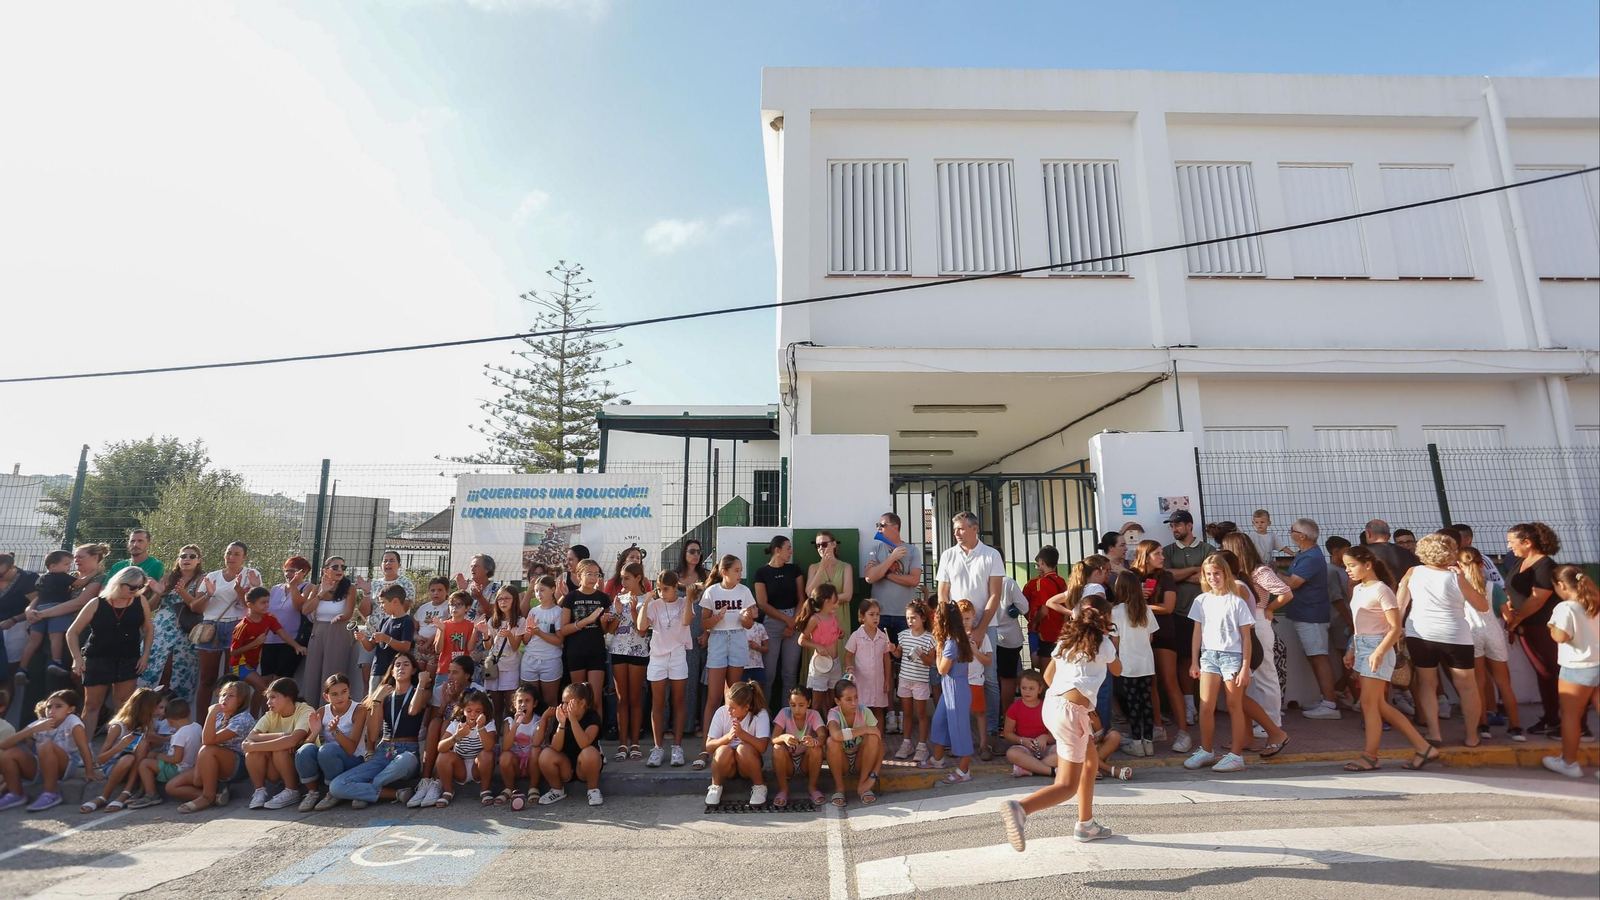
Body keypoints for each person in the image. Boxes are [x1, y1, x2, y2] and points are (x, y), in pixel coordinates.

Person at [999, 602, 1119, 853]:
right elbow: (1118, 670)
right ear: (1105, 622)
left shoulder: (1065, 643)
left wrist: (1078, 697)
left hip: (1054, 705)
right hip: (1071, 713)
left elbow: (1048, 677)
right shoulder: (1104, 643)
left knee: (1090, 762)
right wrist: (1112, 637)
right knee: (1066, 785)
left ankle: (1085, 824)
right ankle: (1021, 808)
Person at [1340, 547, 1439, 772]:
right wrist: (1352, 649)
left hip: (1378, 648)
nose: (1348, 570)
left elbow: (1395, 629)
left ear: (1368, 564)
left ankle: (1370, 757)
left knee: (1369, 704)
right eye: (1346, 566)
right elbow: (1358, 625)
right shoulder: (1358, 590)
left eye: (1352, 565)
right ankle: (1423, 748)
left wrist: (1378, 652)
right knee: (1379, 705)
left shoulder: (1382, 590)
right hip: (1364, 647)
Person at [1399, 533, 1486, 748]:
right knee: (1467, 687)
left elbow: (1399, 605)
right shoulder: (1457, 576)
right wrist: (1464, 581)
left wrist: (1396, 630)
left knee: (1427, 684)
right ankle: (1472, 736)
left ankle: (1434, 733)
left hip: (1420, 633)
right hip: (1456, 635)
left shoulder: (1413, 572)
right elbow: (1482, 606)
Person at [937, 512, 1004, 753]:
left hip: (986, 626)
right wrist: (951, 626)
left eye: (961, 528)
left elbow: (995, 594)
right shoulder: (947, 555)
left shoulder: (991, 555)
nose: (956, 533)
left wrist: (981, 628)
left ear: (975, 529)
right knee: (954, 676)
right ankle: (955, 732)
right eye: (955, 529)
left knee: (989, 678)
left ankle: (991, 733)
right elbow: (943, 593)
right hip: (956, 629)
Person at [1182, 554, 1256, 773]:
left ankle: (1236, 756)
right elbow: (1197, 632)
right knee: (1205, 706)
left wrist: (1245, 667)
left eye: (1217, 573)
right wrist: (1194, 661)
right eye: (1208, 574)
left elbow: (1246, 638)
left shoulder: (1237, 601)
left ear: (1225, 573)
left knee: (1235, 706)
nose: (1213, 577)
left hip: (1232, 657)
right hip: (1208, 657)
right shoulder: (1201, 601)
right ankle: (1206, 750)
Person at [328, 652, 426, 810]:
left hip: (407, 752)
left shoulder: (419, 692)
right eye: (397, 665)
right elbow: (373, 735)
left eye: (406, 664)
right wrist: (376, 701)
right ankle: (395, 793)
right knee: (336, 786)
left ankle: (369, 786)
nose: (401, 668)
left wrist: (422, 683)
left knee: (405, 760)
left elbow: (413, 710)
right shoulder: (384, 697)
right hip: (384, 752)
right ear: (392, 671)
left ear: (413, 670)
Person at [67, 567, 155, 740]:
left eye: (140, 587)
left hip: (129, 658)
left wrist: (145, 656)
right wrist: (77, 658)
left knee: (123, 706)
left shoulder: (140, 601)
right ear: (119, 583)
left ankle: (115, 748)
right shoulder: (97, 603)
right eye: (132, 587)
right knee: (92, 705)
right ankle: (82, 751)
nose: (136, 590)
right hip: (98, 658)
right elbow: (72, 632)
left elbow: (148, 629)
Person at [1221, 532, 1292, 734]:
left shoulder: (1259, 571)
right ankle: (1258, 723)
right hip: (1244, 623)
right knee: (1251, 676)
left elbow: (1286, 592)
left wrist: (1269, 609)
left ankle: (1272, 722)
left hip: (1258, 621)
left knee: (1265, 673)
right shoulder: (1241, 573)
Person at [1502, 523, 1567, 738]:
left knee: (1551, 672)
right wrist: (1510, 610)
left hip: (1543, 626)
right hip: (1527, 627)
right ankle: (1551, 718)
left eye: (1512, 541)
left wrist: (1515, 619)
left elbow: (1538, 598)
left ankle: (1564, 721)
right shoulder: (1521, 561)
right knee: (1543, 672)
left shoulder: (1544, 565)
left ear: (1527, 542)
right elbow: (1514, 592)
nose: (1509, 546)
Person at [1457, 546, 1524, 742]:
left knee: (1478, 682)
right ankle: (1516, 727)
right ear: (1481, 564)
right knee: (1504, 683)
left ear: (1459, 565)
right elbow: (1506, 616)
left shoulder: (1460, 587)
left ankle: (1483, 725)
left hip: (1471, 634)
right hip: (1493, 632)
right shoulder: (1493, 587)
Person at [864, 512, 923, 734]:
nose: (878, 528)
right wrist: (890, 559)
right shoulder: (876, 549)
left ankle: (906, 713)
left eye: (882, 525)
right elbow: (870, 577)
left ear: (895, 526)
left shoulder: (912, 550)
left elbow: (914, 580)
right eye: (877, 524)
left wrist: (885, 573)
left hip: (904, 616)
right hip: (880, 615)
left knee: (907, 665)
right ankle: (889, 713)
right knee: (883, 667)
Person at [1543, 566, 1600, 778]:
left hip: (1578, 667)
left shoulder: (1566, 608)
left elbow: (1560, 636)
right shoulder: (1595, 601)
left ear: (1561, 586)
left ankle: (1569, 763)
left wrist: (1551, 626)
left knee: (1570, 716)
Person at [1130, 543, 1188, 751]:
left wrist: (1142, 605)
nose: (1162, 557)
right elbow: (1122, 604)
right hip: (1140, 637)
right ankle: (1157, 726)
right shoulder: (1131, 576)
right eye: (1157, 554)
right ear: (1145, 556)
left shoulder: (1166, 577)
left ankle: (1184, 733)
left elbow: (1167, 607)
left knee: (1169, 681)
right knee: (1150, 683)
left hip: (1164, 634)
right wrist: (1136, 597)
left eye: (1162, 553)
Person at [0, 689, 98, 812]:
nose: (51, 711)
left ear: (70, 709)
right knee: (7, 754)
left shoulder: (73, 721)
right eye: (48, 707)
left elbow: (84, 747)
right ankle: (16, 794)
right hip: (41, 764)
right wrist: (32, 730)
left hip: (66, 764)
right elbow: (3, 745)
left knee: (46, 746)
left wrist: (90, 772)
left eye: (58, 707)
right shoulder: (41, 723)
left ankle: (51, 793)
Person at [697, 555, 757, 756]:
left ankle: (734, 741)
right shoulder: (711, 591)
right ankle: (708, 745)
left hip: (738, 639)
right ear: (725, 572)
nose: (741, 574)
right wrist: (717, 618)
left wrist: (746, 618)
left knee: (734, 697)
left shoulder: (745, 591)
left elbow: (749, 624)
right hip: (718, 640)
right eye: (737, 570)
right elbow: (703, 624)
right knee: (714, 697)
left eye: (741, 569)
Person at [1282, 519, 1341, 720]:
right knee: (1314, 657)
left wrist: (1270, 573)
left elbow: (1293, 583)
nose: (1290, 533)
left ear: (1303, 536)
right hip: (1305, 614)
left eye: (1293, 531)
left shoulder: (1311, 558)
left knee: (1319, 657)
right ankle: (1326, 700)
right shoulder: (1304, 555)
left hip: (1311, 616)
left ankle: (1330, 705)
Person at [1162, 510, 1215, 729]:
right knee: (1185, 661)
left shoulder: (1207, 549)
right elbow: (1167, 575)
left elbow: (1211, 577)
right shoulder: (1167, 551)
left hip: (1208, 616)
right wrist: (1195, 569)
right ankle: (1190, 706)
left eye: (1178, 525)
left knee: (1208, 662)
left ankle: (1208, 707)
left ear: (1190, 526)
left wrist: (1180, 574)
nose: (1174, 529)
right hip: (1180, 615)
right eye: (1172, 526)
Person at [170, 679, 255, 813]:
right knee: (172, 786)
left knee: (208, 749)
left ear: (241, 700)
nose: (224, 698)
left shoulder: (243, 718)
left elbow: (209, 741)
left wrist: (211, 713)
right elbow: (204, 742)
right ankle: (216, 796)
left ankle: (207, 797)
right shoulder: (219, 716)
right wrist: (198, 772)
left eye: (231, 696)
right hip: (210, 758)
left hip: (237, 764)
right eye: (223, 695)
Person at [639, 570, 693, 768]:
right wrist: (645, 602)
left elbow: (687, 621)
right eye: (659, 589)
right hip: (657, 657)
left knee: (678, 701)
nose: (662, 593)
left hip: (678, 655)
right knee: (658, 703)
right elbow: (642, 626)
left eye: (666, 589)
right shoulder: (654, 604)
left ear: (675, 587)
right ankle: (657, 747)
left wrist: (688, 598)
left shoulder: (682, 602)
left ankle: (677, 747)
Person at [294, 673, 369, 812]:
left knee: (327, 749)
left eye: (344, 692)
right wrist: (315, 732)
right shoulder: (323, 711)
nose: (340, 697)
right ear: (326, 696)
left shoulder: (359, 710)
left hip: (353, 760)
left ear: (349, 690)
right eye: (334, 694)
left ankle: (333, 792)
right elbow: (306, 744)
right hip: (329, 762)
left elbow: (351, 749)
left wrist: (335, 731)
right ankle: (312, 793)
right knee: (305, 750)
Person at [79, 686, 161, 812]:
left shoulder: (147, 724)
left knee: (143, 745)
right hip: (114, 766)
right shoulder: (118, 726)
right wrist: (120, 745)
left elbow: (151, 747)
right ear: (146, 708)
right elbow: (100, 760)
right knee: (128, 758)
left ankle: (126, 792)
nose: (158, 710)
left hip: (134, 767)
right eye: (155, 707)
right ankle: (104, 796)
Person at [227, 586, 306, 715]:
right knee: (262, 687)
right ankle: (252, 719)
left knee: (253, 690)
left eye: (268, 602)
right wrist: (255, 643)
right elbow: (233, 652)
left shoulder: (269, 618)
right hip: (239, 664)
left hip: (252, 664)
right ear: (250, 605)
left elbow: (282, 633)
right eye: (263, 602)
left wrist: (296, 646)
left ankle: (254, 718)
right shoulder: (243, 626)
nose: (266, 605)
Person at [920, 599, 974, 782]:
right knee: (939, 721)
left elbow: (942, 669)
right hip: (952, 688)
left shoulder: (950, 643)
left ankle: (964, 770)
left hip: (955, 689)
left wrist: (938, 650)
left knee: (960, 729)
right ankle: (937, 759)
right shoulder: (956, 639)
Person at [241, 677, 314, 810]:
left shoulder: (305, 710)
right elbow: (252, 736)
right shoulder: (270, 715)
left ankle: (292, 790)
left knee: (280, 749)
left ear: (288, 697)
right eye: (268, 698)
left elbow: (293, 740)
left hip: (301, 767)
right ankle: (260, 791)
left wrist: (254, 745)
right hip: (275, 770)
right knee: (255, 752)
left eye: (273, 697)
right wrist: (283, 735)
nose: (268, 702)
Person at [411, 654, 474, 808]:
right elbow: (435, 718)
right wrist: (444, 704)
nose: (450, 676)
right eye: (449, 672)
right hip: (444, 735)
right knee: (435, 723)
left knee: (447, 723)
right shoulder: (442, 689)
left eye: (455, 673)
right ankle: (425, 780)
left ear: (467, 675)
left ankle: (439, 780)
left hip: (465, 737)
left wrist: (455, 701)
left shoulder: (476, 692)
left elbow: (470, 723)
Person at [753, 535, 806, 702]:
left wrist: (793, 622)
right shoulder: (761, 573)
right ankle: (764, 716)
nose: (791, 551)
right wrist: (786, 620)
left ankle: (787, 717)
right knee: (768, 675)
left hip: (795, 621)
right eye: (788, 548)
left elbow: (801, 598)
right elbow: (762, 603)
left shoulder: (794, 570)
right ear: (777, 550)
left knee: (790, 674)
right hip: (771, 623)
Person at [18, 549, 88, 677]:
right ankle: (56, 661)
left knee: (33, 641)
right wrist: (96, 572)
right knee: (55, 637)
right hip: (57, 609)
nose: (69, 567)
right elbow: (82, 582)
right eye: (66, 564)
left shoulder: (41, 578)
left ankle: (22, 668)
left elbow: (39, 595)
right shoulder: (62, 576)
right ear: (53, 566)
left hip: (39, 609)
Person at [1109, 574, 1157, 757]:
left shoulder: (1116, 611)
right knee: (1147, 702)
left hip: (1128, 664)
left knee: (1132, 702)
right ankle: (1149, 742)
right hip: (1146, 663)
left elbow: (1115, 640)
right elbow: (1151, 637)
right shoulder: (1145, 609)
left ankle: (1136, 742)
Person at [299, 557, 357, 706]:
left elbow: (348, 613)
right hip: (318, 633)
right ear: (325, 570)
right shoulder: (316, 588)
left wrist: (340, 617)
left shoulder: (350, 588)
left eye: (343, 568)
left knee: (333, 673)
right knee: (313, 673)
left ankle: (331, 712)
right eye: (335, 567)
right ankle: (310, 712)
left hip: (339, 632)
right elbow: (305, 610)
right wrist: (322, 592)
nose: (340, 570)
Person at [607, 564, 651, 761]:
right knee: (621, 699)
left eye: (626, 578)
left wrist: (633, 610)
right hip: (618, 651)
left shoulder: (647, 599)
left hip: (638, 652)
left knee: (635, 698)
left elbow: (642, 631)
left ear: (638, 578)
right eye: (621, 578)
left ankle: (635, 743)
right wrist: (616, 612)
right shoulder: (618, 599)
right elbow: (610, 630)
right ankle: (622, 744)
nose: (622, 582)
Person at [537, 681, 604, 806]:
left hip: (585, 766)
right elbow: (556, 747)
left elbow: (584, 743)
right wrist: (561, 724)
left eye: (568, 703)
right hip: (566, 766)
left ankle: (593, 789)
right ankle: (557, 790)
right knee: (546, 754)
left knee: (589, 752)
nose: (563, 706)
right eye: (563, 702)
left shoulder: (592, 717)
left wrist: (573, 719)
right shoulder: (561, 716)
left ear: (582, 703)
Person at [559, 559, 610, 718]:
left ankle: (596, 738)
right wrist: (586, 621)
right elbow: (563, 629)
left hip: (596, 651)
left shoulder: (603, 598)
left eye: (596, 574)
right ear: (579, 575)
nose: (593, 577)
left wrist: (603, 622)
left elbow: (605, 631)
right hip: (576, 652)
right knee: (577, 699)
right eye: (589, 574)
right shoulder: (571, 597)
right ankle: (577, 735)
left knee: (595, 698)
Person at [433, 688, 497, 808]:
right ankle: (448, 791)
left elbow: (489, 747)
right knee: (443, 756)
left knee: (487, 754)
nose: (473, 714)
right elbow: (440, 747)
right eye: (469, 710)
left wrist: (481, 728)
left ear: (484, 711)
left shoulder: (488, 724)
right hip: (460, 768)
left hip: (478, 768)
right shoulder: (456, 724)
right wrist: (457, 737)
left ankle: (485, 790)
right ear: (463, 710)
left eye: (478, 711)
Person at [673, 540, 710, 738]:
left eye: (699, 551)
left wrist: (707, 633)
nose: (696, 554)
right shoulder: (675, 576)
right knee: (680, 680)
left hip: (701, 633)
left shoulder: (707, 576)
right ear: (684, 553)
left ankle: (696, 723)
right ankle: (677, 724)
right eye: (692, 551)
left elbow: (712, 605)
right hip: (678, 634)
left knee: (698, 681)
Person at [132, 696, 198, 809]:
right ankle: (143, 789)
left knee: (145, 764)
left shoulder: (179, 735)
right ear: (189, 713)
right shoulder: (197, 726)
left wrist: (159, 756)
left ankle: (151, 794)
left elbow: (176, 759)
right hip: (192, 765)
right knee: (150, 758)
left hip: (178, 769)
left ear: (169, 720)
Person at [890, 598, 935, 762]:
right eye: (908, 618)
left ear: (923, 618)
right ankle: (906, 743)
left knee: (922, 714)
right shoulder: (902, 635)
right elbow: (899, 655)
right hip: (904, 680)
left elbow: (931, 662)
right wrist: (893, 650)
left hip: (920, 682)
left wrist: (922, 654)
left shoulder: (929, 638)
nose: (910, 621)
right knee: (907, 714)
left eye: (913, 618)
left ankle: (922, 746)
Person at [825, 679, 883, 806]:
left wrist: (872, 777)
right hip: (842, 762)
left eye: (856, 697)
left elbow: (880, 746)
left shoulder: (864, 711)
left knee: (873, 738)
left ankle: (863, 786)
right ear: (837, 701)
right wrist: (865, 729)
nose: (854, 703)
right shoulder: (834, 713)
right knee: (831, 741)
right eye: (848, 699)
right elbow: (836, 735)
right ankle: (839, 788)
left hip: (861, 761)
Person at [770, 686, 825, 807]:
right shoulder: (784, 713)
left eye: (801, 705)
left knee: (816, 749)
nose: (797, 709)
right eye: (793, 705)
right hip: (788, 762)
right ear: (788, 704)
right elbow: (773, 739)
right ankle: (783, 789)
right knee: (777, 749)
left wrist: (813, 741)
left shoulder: (814, 715)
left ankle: (812, 788)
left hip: (806, 761)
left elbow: (823, 737)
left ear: (809, 703)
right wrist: (784, 737)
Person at [521, 575, 569, 711]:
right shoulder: (533, 611)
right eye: (536, 591)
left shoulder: (558, 612)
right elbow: (525, 640)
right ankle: (532, 730)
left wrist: (539, 633)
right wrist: (530, 631)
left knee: (550, 701)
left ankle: (550, 731)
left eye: (542, 590)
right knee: (530, 699)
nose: (538, 594)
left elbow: (559, 640)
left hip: (550, 660)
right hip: (530, 660)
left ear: (553, 589)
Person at [260, 556, 311, 682]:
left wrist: (293, 586)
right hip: (270, 640)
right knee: (265, 680)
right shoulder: (276, 588)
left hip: (292, 641)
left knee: (280, 681)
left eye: (293, 571)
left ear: (303, 572)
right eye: (287, 570)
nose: (289, 574)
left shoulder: (308, 587)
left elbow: (299, 606)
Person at [474, 585, 520, 723]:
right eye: (500, 599)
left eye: (507, 598)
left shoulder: (519, 621)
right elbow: (488, 646)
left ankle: (508, 737)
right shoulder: (493, 620)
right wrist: (485, 634)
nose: (503, 602)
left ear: (514, 600)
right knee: (496, 707)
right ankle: (496, 740)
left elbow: (515, 647)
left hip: (510, 668)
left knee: (510, 707)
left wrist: (510, 635)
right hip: (494, 667)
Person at [797, 583, 843, 716]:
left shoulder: (833, 616)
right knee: (816, 703)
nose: (838, 600)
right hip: (820, 666)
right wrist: (817, 646)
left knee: (832, 701)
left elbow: (836, 632)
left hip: (835, 663)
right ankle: (812, 732)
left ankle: (829, 729)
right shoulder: (815, 619)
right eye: (836, 597)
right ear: (827, 601)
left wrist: (840, 634)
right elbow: (801, 640)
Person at [496, 684, 546, 808]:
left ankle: (533, 788)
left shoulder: (537, 721)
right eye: (520, 701)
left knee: (536, 751)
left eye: (527, 701)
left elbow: (536, 743)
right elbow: (506, 747)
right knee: (505, 756)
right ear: (514, 703)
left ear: (534, 704)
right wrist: (516, 726)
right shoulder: (509, 721)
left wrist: (545, 719)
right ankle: (509, 789)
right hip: (516, 764)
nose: (523, 705)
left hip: (531, 764)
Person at [845, 598, 892, 728]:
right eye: (871, 614)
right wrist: (849, 667)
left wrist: (887, 680)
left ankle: (879, 741)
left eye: (877, 614)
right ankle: (862, 742)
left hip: (878, 682)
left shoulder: (882, 636)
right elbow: (848, 655)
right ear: (862, 616)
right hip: (861, 682)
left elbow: (886, 660)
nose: (875, 617)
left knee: (878, 711)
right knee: (861, 711)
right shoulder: (856, 636)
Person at [956, 599, 993, 762]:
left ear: (974, 617)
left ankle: (984, 745)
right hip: (959, 682)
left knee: (980, 714)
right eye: (961, 618)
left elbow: (988, 660)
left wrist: (975, 651)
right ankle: (962, 746)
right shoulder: (954, 637)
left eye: (967, 618)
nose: (964, 622)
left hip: (975, 682)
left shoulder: (982, 637)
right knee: (960, 715)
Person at [1024, 546, 1069, 677]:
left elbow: (1044, 609)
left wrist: (1034, 622)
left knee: (1046, 674)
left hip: (1046, 632)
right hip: (1058, 631)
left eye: (1038, 564)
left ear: (1042, 561)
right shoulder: (1061, 581)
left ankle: (1044, 696)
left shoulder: (1042, 582)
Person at [1003, 670, 1055, 777]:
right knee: (1012, 753)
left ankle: (1030, 768)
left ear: (1040, 689)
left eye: (1031, 688)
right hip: (1025, 748)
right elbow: (1008, 733)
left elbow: (1055, 735)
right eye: (1023, 688)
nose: (1027, 692)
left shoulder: (1047, 707)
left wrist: (1045, 738)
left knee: (1067, 752)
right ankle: (1051, 771)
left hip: (1047, 747)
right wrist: (1022, 740)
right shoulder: (1014, 708)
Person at [0, 553, 42, 681]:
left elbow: (36, 606)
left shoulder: (28, 579)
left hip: (17, 627)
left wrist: (14, 620)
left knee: (8, 673)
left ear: (13, 567)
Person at [413, 576, 452, 674]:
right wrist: (416, 636)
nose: (436, 593)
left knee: (429, 677)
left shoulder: (449, 607)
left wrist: (430, 640)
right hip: (420, 648)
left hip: (435, 648)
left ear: (447, 591)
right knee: (418, 675)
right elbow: (414, 627)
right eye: (433, 590)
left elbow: (447, 626)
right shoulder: (423, 608)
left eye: (440, 590)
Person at [455, 553, 500, 621]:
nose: (472, 569)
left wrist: (480, 597)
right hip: (465, 629)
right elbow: (455, 611)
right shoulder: (467, 586)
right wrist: (461, 591)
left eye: (476, 566)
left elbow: (492, 613)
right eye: (471, 566)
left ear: (486, 569)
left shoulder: (496, 588)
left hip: (485, 629)